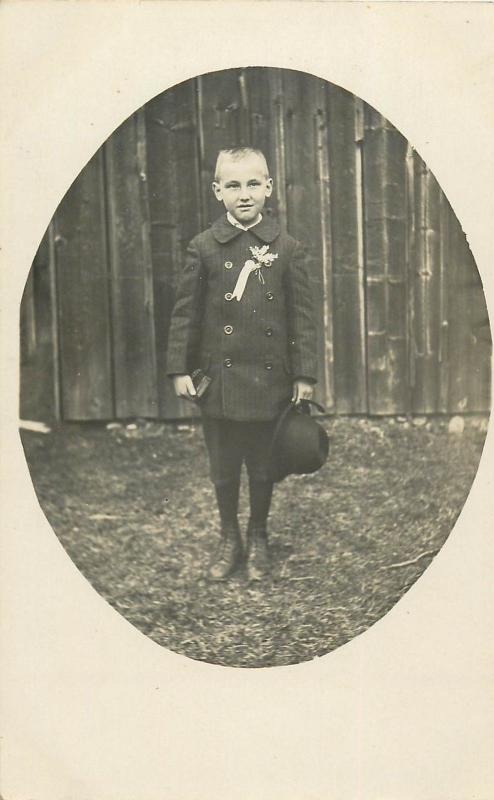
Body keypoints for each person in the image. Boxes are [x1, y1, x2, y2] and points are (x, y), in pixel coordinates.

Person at [166, 146, 317, 582]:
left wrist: (304, 374)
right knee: (224, 465)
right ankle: (229, 536)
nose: (244, 194)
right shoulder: (204, 247)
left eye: (253, 183)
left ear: (268, 187)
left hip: (271, 383)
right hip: (220, 383)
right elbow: (184, 314)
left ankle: (259, 535)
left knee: (264, 464)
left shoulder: (287, 249)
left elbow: (302, 317)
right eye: (233, 185)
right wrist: (179, 368)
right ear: (218, 191)